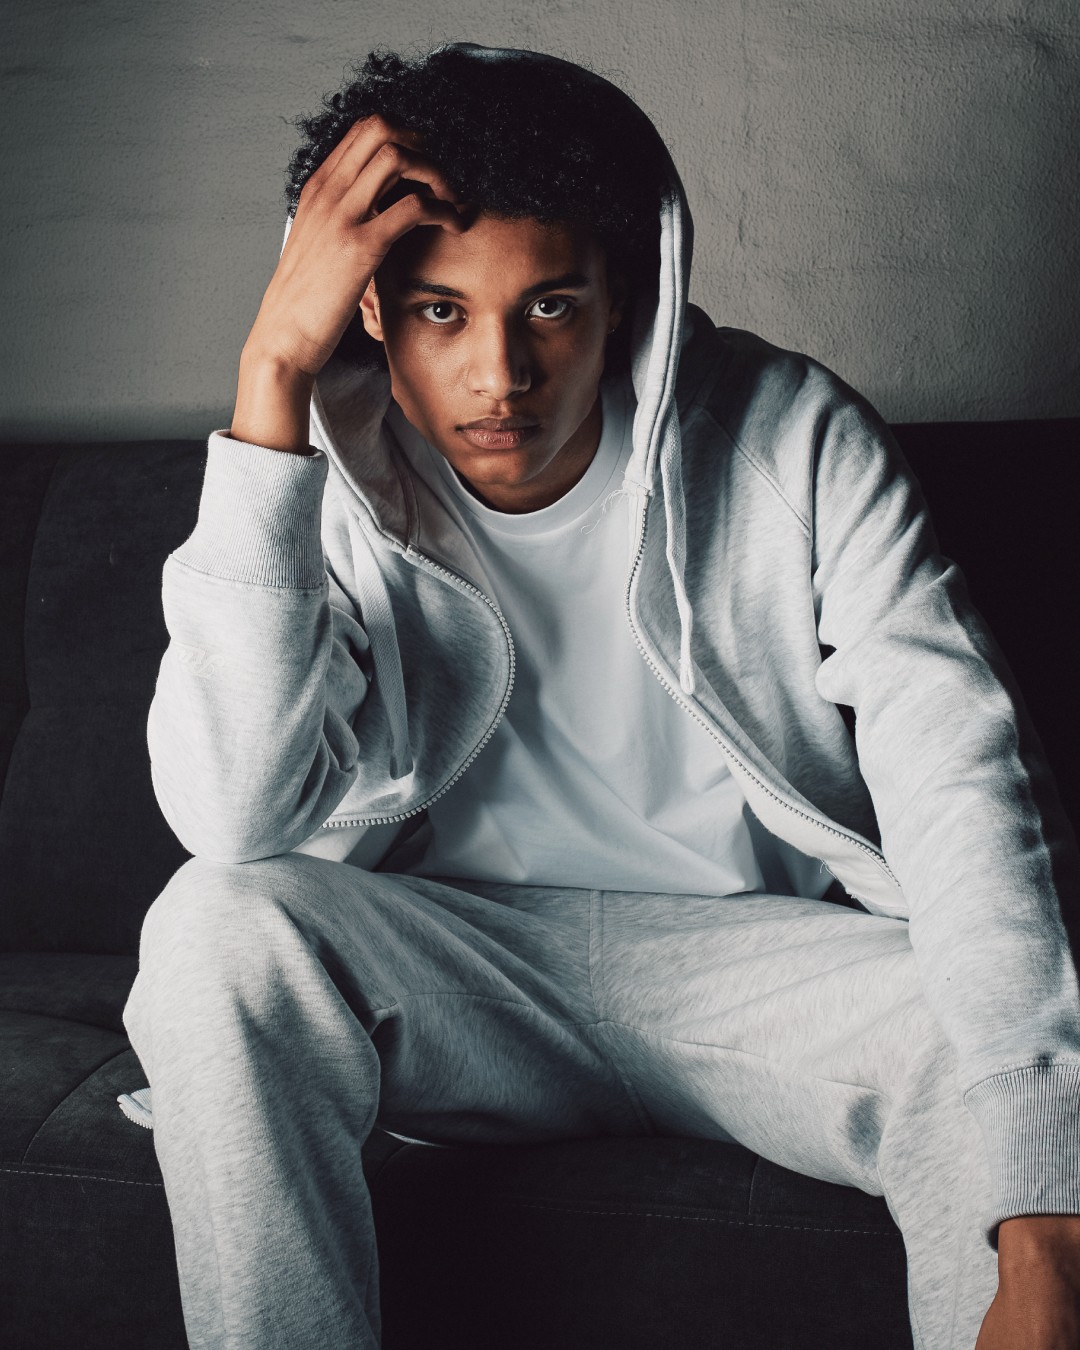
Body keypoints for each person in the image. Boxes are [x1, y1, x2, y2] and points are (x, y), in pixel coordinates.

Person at [121, 40, 1080, 1350]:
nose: (500, 376)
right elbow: (234, 819)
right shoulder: (322, 474)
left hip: (766, 968)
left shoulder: (792, 435)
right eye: (441, 311)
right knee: (209, 926)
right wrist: (269, 390)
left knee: (1013, 1045)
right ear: (366, 309)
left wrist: (1044, 1220)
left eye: (549, 306)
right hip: (462, 968)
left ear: (624, 290)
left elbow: (958, 773)